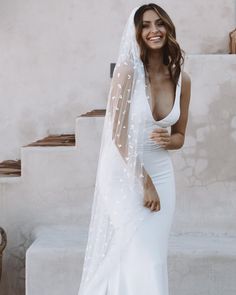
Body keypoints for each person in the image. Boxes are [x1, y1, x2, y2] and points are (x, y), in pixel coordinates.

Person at [78, 3, 191, 295]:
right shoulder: (127, 72)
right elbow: (117, 135)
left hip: (162, 172)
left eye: (159, 24)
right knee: (142, 254)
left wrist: (171, 141)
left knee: (150, 256)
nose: (153, 31)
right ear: (137, 33)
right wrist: (144, 182)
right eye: (145, 25)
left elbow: (179, 135)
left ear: (168, 27)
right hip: (123, 170)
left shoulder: (183, 79)